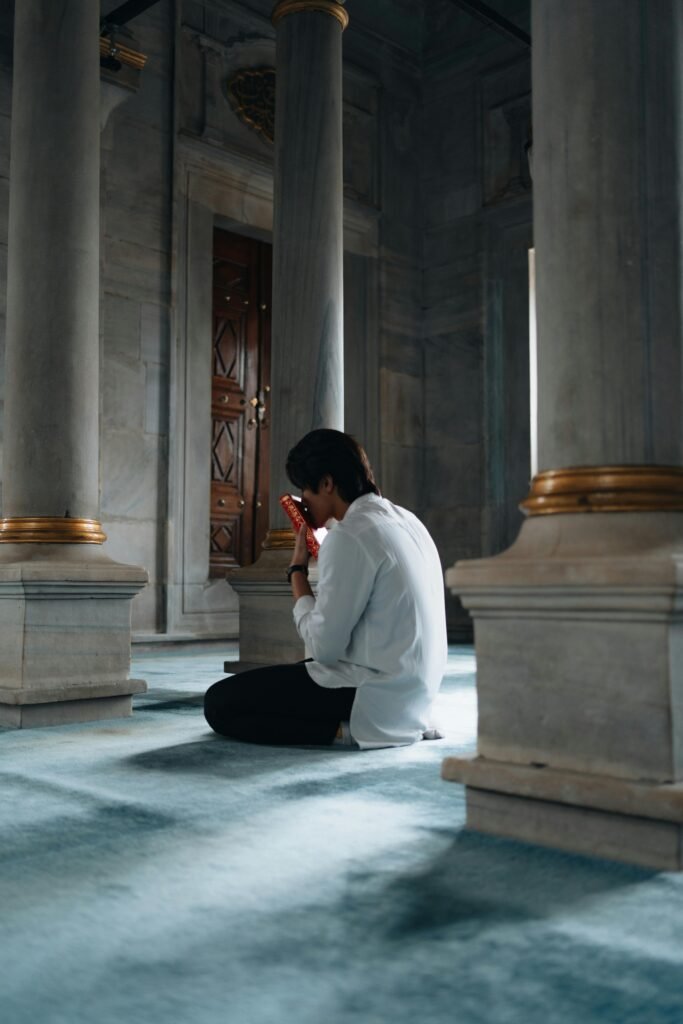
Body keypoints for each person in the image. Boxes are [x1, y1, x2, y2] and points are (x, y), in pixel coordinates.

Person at [204, 429, 447, 749]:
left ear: (328, 483)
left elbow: (324, 648)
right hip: (418, 690)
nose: (303, 499)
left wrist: (297, 572)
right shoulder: (410, 521)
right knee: (289, 675)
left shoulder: (349, 535)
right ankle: (397, 721)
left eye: (305, 488)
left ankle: (340, 732)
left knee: (220, 702)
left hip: (375, 694)